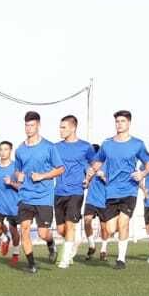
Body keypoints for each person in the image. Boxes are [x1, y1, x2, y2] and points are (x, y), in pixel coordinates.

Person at [89, 109, 149, 269]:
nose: (119, 124)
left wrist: (143, 173)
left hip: (129, 189)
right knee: (110, 228)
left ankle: (121, 259)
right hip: (111, 191)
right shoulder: (107, 144)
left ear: (129, 123)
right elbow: (97, 161)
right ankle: (120, 238)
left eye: (122, 121)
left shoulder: (137, 144)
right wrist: (92, 171)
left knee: (123, 222)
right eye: (117, 121)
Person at [12, 111, 64, 275]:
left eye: (32, 125)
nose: (28, 128)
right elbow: (17, 172)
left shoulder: (49, 147)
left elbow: (60, 169)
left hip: (44, 197)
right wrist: (18, 176)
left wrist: (42, 176)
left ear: (38, 125)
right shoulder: (20, 150)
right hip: (26, 195)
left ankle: (50, 243)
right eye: (26, 125)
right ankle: (31, 264)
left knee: (42, 233)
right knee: (25, 229)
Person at [52, 114, 96, 269]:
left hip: (76, 191)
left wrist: (88, 177)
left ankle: (65, 259)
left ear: (73, 128)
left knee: (70, 225)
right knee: (61, 229)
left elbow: (94, 164)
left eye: (63, 127)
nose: (60, 130)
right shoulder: (55, 147)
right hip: (59, 191)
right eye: (60, 127)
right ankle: (74, 241)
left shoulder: (86, 147)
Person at [0, 139, 22, 264]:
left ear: (10, 151)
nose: (2, 152)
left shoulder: (15, 167)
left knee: (14, 231)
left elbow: (21, 186)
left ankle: (16, 253)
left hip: (13, 205)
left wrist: (11, 183)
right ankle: (4, 239)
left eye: (5, 149)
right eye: (1, 149)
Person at [83, 159, 110, 260]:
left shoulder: (108, 168)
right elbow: (86, 184)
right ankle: (91, 245)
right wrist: (86, 181)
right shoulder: (89, 169)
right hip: (91, 200)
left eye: (95, 161)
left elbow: (112, 184)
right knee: (86, 221)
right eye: (92, 161)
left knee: (104, 227)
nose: (93, 164)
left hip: (104, 202)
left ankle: (103, 250)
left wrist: (103, 176)